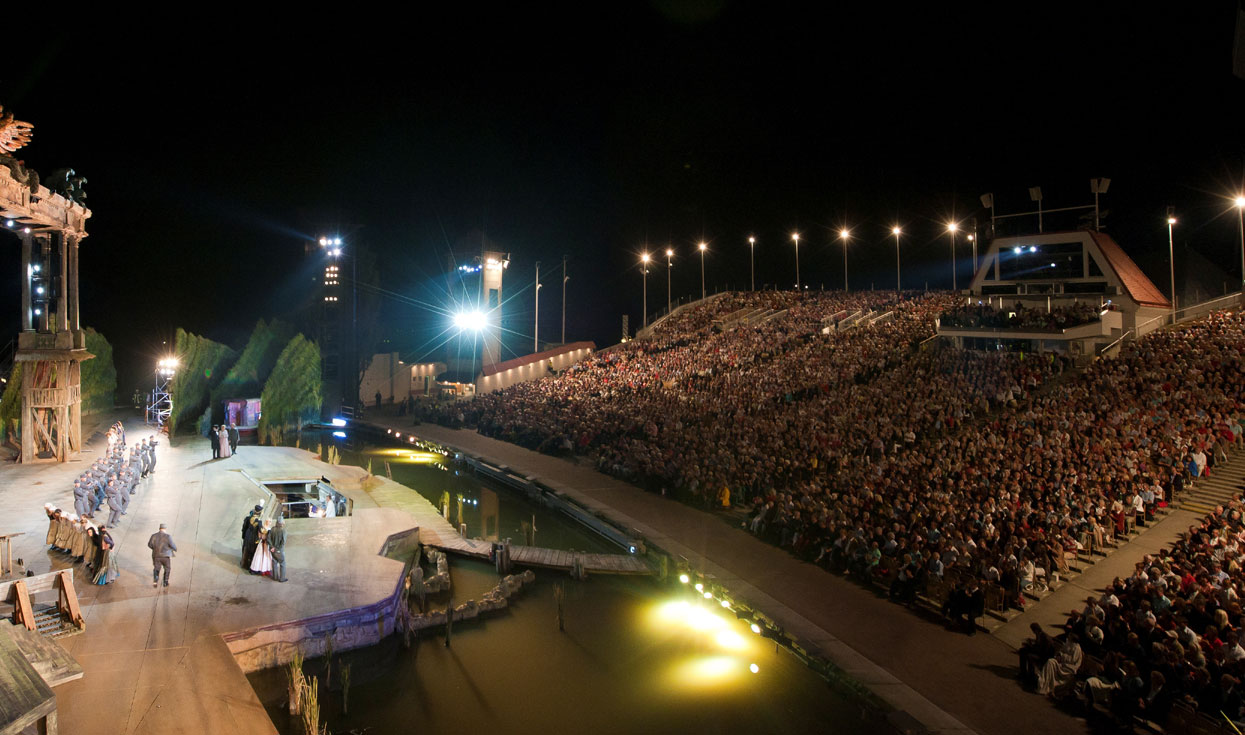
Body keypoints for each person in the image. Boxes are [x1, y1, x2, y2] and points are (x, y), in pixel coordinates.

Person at [148, 522, 177, 588]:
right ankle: (165, 582)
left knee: (156, 568)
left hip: (156, 556)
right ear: (165, 529)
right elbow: (172, 545)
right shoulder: (168, 536)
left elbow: (149, 544)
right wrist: (175, 549)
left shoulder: (153, 536)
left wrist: (155, 549)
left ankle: (155, 580)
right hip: (165, 557)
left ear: (159, 528)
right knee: (167, 568)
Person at [268, 517, 287, 582]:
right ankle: (282, 578)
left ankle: (275, 577)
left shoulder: (272, 529)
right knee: (282, 563)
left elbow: (268, 539)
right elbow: (283, 542)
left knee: (274, 562)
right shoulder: (283, 531)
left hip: (272, 550)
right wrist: (276, 549)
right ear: (281, 523)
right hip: (279, 551)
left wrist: (272, 547)